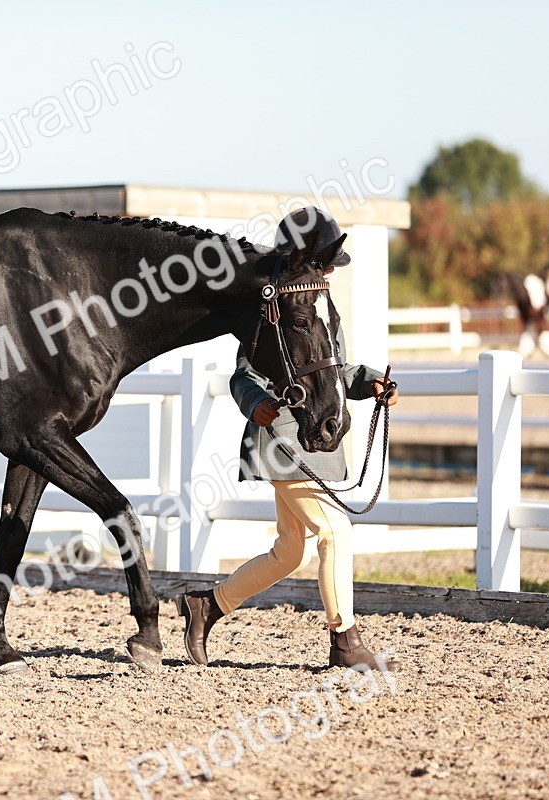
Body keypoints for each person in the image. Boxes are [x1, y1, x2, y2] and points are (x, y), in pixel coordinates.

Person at [175, 208, 399, 672]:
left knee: (288, 551)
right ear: (304, 261)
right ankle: (345, 641)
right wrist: (253, 399)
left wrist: (369, 382)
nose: (332, 272)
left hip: (318, 437)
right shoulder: (270, 314)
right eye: (326, 264)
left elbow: (332, 371)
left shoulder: (320, 311)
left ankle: (207, 606)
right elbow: (245, 373)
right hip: (283, 437)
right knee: (335, 531)